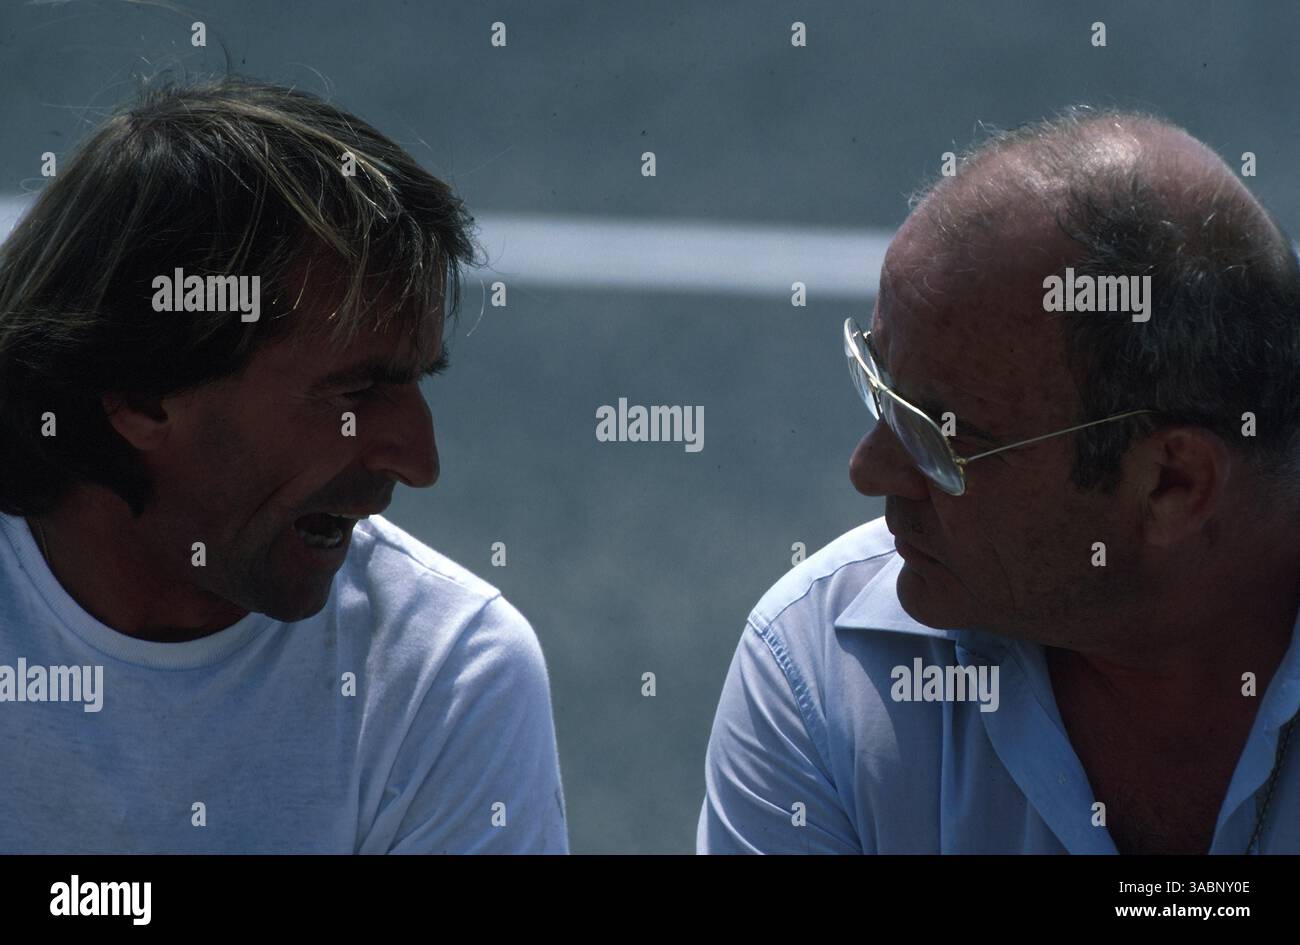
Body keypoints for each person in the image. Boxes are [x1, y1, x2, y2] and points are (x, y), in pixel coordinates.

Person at [698, 107, 1300, 854]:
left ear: (1172, 483)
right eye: (878, 386)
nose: (868, 470)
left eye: (937, 437)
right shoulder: (819, 673)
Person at [0, 75, 568, 853]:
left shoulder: (451, 676)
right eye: (356, 390)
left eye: (415, 382)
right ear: (141, 394)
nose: (419, 461)